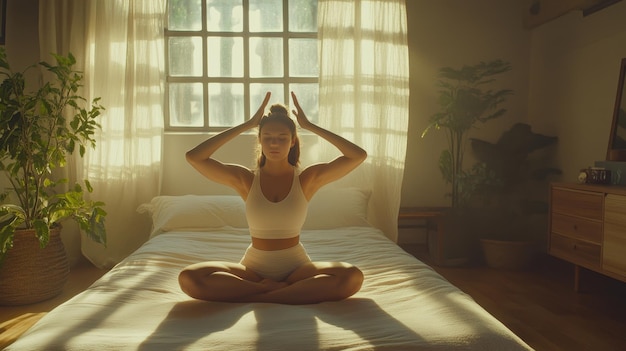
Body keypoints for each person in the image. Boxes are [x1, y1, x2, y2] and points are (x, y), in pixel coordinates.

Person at [179, 91, 367, 305]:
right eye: (267, 138)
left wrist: (310, 126)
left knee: (352, 276)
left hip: (297, 269)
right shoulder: (245, 180)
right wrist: (247, 124)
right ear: (259, 140)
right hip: (253, 269)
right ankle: (285, 293)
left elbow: (357, 155)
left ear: (293, 141)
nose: (274, 144)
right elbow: (194, 157)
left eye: (281, 138)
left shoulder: (307, 179)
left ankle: (262, 295)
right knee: (189, 278)